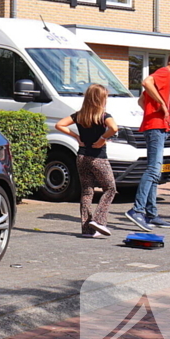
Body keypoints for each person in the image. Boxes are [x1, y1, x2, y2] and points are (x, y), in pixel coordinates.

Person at [127, 50, 170, 231]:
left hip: (158, 126)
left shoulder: (167, 79)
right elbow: (146, 82)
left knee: (156, 172)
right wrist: (161, 104)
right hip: (155, 127)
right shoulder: (164, 73)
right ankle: (136, 210)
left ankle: (151, 214)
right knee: (153, 170)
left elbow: (141, 100)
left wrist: (152, 106)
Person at [55, 84, 118, 238]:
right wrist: (103, 139)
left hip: (82, 157)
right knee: (110, 189)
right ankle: (99, 220)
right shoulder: (104, 116)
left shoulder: (79, 115)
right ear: (100, 99)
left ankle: (87, 230)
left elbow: (59, 125)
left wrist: (76, 136)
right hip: (98, 158)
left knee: (87, 191)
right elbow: (114, 128)